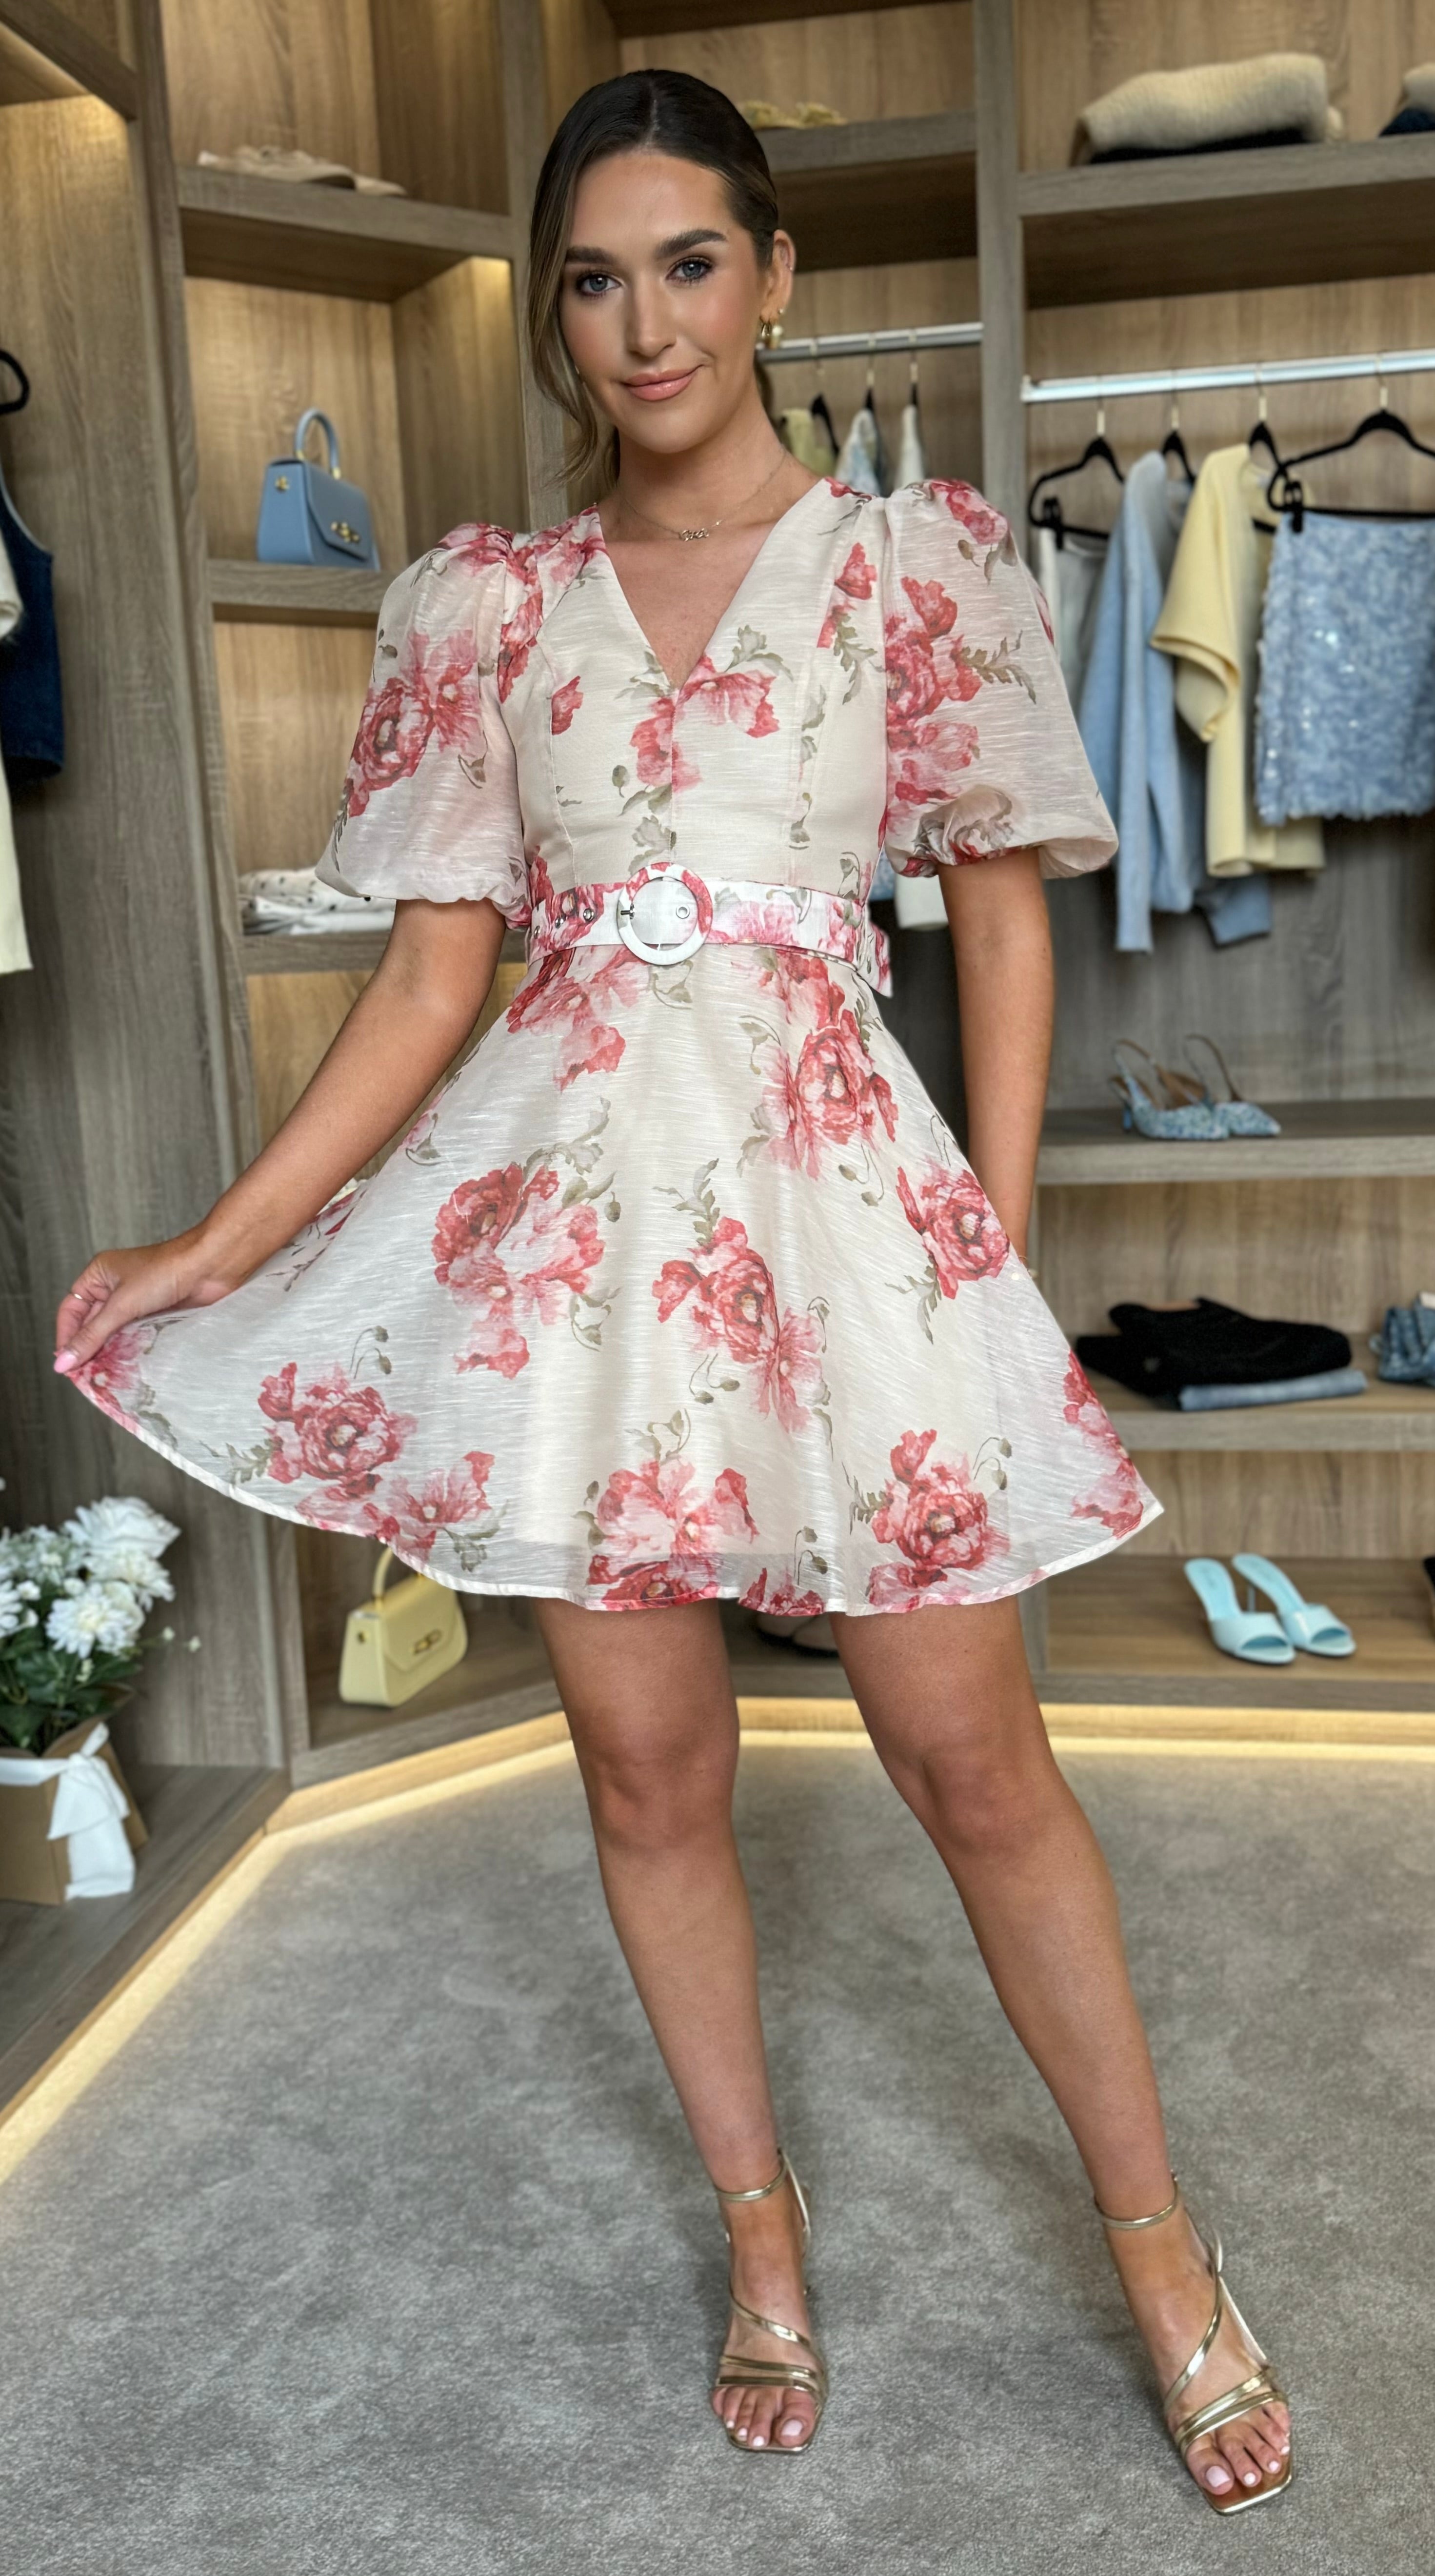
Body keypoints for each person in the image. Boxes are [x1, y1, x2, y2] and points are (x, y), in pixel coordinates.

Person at [53, 69, 1290, 2509]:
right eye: (594, 281)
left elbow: (998, 920)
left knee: (973, 1764)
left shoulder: (913, 560)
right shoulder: (481, 606)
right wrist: (215, 1243)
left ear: (774, 276)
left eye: (689, 265)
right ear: (557, 311)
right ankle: (760, 2234)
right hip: (571, 1257)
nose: (643, 327)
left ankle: (1157, 2247)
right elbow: (431, 983)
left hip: (846, 1224)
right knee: (644, 1767)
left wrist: (985, 1250)